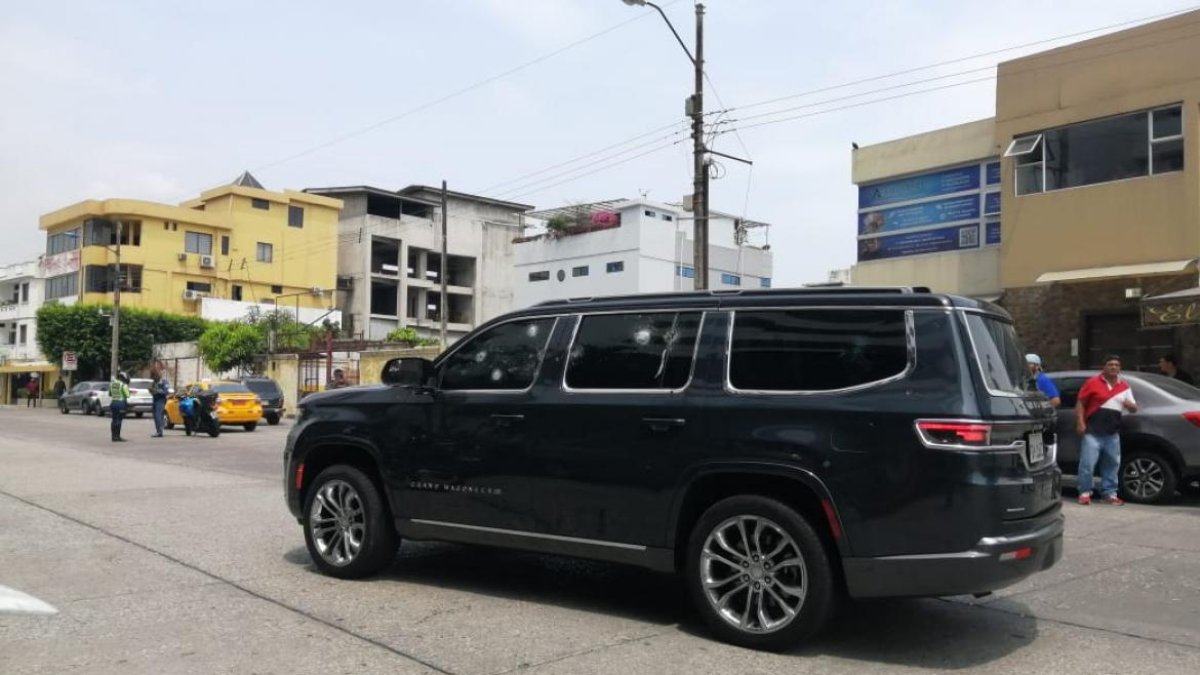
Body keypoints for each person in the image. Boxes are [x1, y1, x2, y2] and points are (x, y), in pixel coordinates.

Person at [1075, 355, 1137, 506]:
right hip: (1092, 431)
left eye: (1117, 365)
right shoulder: (1092, 382)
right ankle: (1084, 492)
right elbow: (1081, 403)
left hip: (1112, 433)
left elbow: (1134, 409)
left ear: (1119, 368)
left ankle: (1109, 494)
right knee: (1087, 464)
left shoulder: (1124, 386)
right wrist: (1080, 423)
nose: (1114, 367)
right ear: (1104, 367)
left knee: (1112, 465)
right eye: (1110, 364)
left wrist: (1130, 405)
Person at [109, 371, 131, 442]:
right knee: (119, 420)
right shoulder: (123, 385)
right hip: (121, 403)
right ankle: (117, 437)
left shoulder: (112, 384)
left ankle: (113, 436)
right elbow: (128, 395)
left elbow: (110, 394)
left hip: (113, 403)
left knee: (114, 419)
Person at [150, 365, 171, 438]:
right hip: (154, 400)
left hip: (160, 400)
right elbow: (152, 390)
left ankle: (159, 431)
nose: (153, 378)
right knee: (155, 416)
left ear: (157, 375)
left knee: (158, 415)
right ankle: (158, 430)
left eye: (154, 376)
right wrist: (151, 391)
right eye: (152, 377)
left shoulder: (163, 382)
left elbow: (166, 392)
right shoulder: (154, 382)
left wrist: (157, 391)